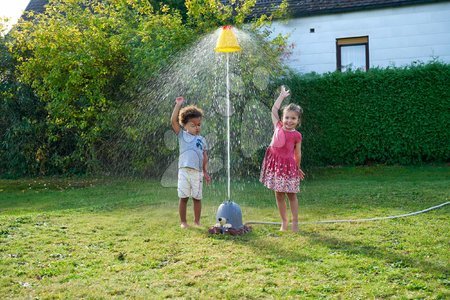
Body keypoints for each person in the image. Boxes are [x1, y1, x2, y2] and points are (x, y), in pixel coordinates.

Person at [260, 86, 305, 232]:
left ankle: (295, 222)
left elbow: (297, 154)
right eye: (286, 117)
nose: (289, 121)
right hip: (276, 166)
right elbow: (273, 110)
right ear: (282, 118)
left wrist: (297, 169)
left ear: (298, 120)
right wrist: (281, 97)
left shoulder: (297, 135)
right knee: (279, 195)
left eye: (293, 118)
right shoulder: (278, 126)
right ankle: (284, 222)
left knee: (291, 195)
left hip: (289, 166)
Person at [171, 96, 211, 228]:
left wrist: (205, 171)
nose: (196, 127)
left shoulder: (202, 139)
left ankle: (197, 221)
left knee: (197, 198)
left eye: (199, 125)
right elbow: (173, 121)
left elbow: (205, 156)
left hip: (197, 172)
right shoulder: (182, 135)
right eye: (193, 125)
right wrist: (178, 105)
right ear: (185, 125)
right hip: (184, 171)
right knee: (183, 197)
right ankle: (183, 222)